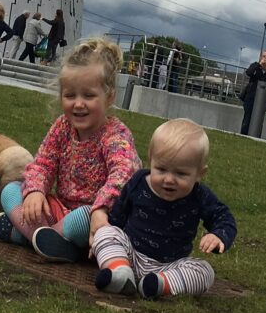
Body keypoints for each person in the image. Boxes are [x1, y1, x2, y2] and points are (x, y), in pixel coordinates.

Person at [0, 37, 140, 262]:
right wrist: (35, 191)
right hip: (59, 210)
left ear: (109, 97)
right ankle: (49, 241)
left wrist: (101, 208)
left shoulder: (115, 135)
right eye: (70, 95)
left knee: (83, 218)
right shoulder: (62, 126)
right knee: (11, 190)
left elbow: (123, 176)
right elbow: (43, 163)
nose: (78, 103)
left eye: (89, 96)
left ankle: (29, 235)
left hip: (98, 218)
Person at [91, 118, 236, 299]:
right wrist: (105, 241)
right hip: (130, 255)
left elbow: (224, 217)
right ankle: (119, 272)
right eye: (161, 169)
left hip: (170, 266)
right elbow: (118, 216)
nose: (169, 179)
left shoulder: (199, 196)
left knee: (204, 271)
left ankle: (159, 285)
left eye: (181, 173)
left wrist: (219, 235)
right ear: (151, 160)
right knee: (105, 232)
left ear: (200, 174)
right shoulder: (139, 182)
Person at [238, 50, 266, 134]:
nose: (265, 58)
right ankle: (244, 135)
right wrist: (259, 64)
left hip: (262, 101)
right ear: (260, 57)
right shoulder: (255, 66)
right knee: (247, 119)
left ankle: (255, 136)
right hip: (250, 98)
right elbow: (248, 73)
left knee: (258, 120)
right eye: (264, 56)